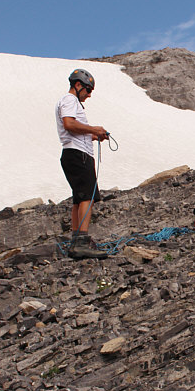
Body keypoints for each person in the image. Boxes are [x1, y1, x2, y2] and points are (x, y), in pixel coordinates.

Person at [55, 69, 109, 259]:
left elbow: (73, 129)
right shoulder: (70, 101)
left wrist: (94, 136)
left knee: (79, 198)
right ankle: (82, 242)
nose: (89, 94)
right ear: (78, 85)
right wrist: (93, 128)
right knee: (87, 196)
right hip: (79, 155)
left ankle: (76, 240)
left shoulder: (69, 101)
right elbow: (69, 124)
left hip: (73, 153)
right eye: (88, 89)